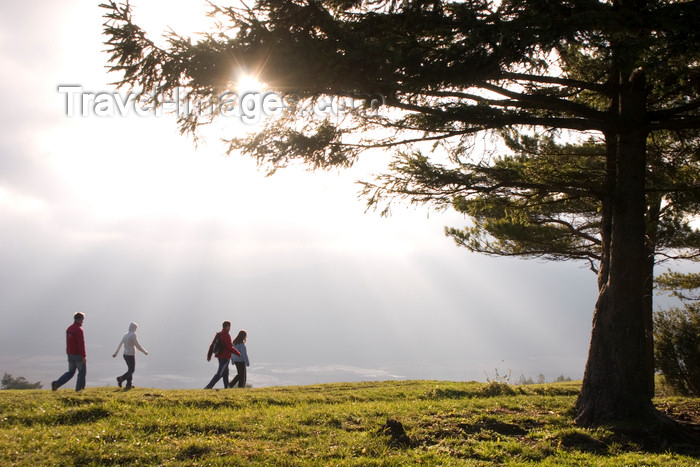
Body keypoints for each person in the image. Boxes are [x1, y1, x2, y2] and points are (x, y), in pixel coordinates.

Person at [51, 312, 87, 392]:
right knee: (82, 372)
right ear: (81, 320)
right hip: (78, 355)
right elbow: (81, 344)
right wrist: (83, 356)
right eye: (83, 320)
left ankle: (57, 383)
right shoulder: (79, 330)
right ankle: (79, 389)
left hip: (70, 354)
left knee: (71, 372)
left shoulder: (69, 329)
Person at [205, 321, 241, 389]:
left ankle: (226, 388)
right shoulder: (226, 335)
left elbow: (212, 345)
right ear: (227, 327)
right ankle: (208, 386)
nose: (230, 328)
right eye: (229, 327)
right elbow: (229, 347)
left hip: (219, 356)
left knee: (225, 373)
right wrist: (238, 353)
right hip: (225, 357)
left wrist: (209, 356)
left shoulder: (219, 334)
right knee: (220, 373)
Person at [113, 322, 148, 390]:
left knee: (130, 370)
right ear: (134, 328)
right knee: (132, 370)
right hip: (131, 355)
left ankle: (129, 384)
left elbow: (120, 344)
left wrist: (116, 353)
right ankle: (121, 378)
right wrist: (144, 351)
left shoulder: (125, 335)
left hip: (125, 354)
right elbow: (137, 345)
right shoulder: (133, 335)